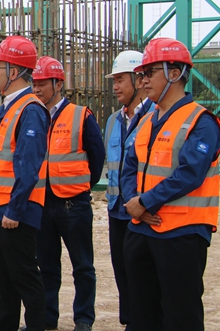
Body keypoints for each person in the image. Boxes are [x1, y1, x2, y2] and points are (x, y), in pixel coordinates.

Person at [121, 37, 220, 331]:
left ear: (175, 73)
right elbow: (129, 167)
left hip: (181, 234)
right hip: (141, 229)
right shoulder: (146, 121)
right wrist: (135, 204)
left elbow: (190, 173)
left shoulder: (201, 121)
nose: (143, 80)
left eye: (149, 73)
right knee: (142, 315)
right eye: (142, 74)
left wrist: (145, 202)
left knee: (181, 315)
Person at [0, 35, 49, 331]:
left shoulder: (30, 109)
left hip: (14, 211)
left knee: (24, 276)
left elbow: (28, 168)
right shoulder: (8, 106)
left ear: (14, 71)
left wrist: (15, 210)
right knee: (3, 277)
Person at [31, 56, 105, 331]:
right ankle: (47, 317)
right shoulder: (32, 115)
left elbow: (96, 157)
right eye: (34, 84)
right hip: (42, 202)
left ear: (58, 84)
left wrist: (80, 186)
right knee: (46, 265)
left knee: (82, 265)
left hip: (73, 204)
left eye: (42, 84)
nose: (37, 89)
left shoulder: (80, 115)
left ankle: (83, 319)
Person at [103, 50, 153, 329]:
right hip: (116, 210)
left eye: (120, 80)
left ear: (139, 79)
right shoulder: (113, 120)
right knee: (122, 272)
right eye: (114, 81)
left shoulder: (155, 116)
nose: (116, 87)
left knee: (143, 276)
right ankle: (129, 322)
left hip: (142, 211)